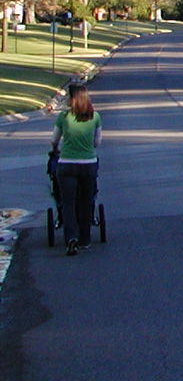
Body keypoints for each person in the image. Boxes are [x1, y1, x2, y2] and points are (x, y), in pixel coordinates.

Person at [50, 82, 101, 255]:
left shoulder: (63, 117)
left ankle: (71, 237)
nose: (65, 99)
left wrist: (56, 148)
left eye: (67, 96)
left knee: (68, 203)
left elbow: (54, 139)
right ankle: (85, 239)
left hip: (67, 165)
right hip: (88, 165)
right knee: (86, 202)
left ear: (73, 99)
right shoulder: (95, 117)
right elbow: (97, 142)